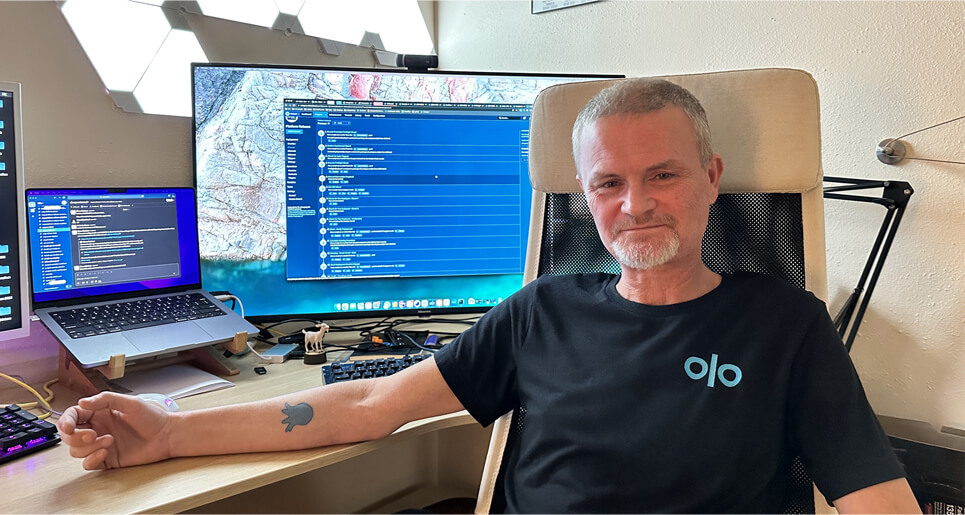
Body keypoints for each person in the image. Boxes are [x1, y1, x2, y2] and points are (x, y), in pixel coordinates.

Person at [58, 78, 920, 513]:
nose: (636, 203)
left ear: (711, 178)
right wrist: (168, 432)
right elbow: (367, 403)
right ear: (583, 196)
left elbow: (877, 500)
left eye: (663, 173)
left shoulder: (786, 325)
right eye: (608, 182)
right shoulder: (540, 312)